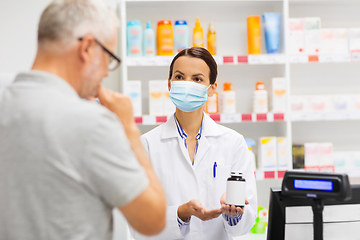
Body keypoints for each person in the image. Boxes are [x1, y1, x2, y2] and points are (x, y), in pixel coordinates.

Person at [0, 0, 166, 239]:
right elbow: (153, 221)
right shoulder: (92, 123)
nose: (107, 73)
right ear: (87, 47)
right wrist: (128, 128)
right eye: (109, 58)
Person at [131, 47, 257, 240]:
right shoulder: (147, 144)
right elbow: (139, 220)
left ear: (212, 89)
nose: (187, 85)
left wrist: (233, 212)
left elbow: (246, 222)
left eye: (197, 79)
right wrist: (181, 214)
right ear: (170, 84)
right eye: (180, 77)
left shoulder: (233, 143)